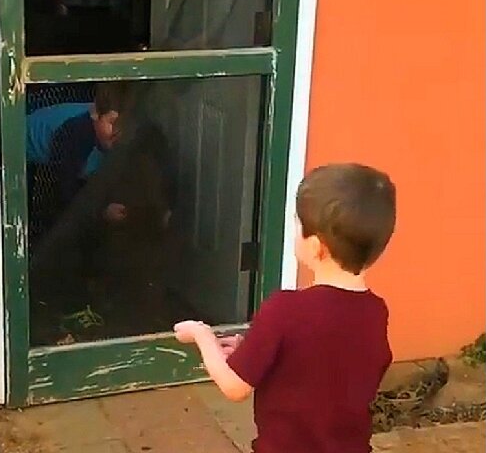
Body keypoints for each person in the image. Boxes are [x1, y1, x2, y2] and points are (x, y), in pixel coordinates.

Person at [173, 163, 396, 453]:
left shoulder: (285, 310)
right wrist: (252, 349)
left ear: (317, 246)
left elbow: (234, 386)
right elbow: (323, 365)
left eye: (297, 224)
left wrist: (202, 336)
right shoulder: (375, 312)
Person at [25, 80, 131, 241]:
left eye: (125, 125)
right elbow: (64, 191)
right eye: (113, 122)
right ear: (95, 114)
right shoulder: (76, 134)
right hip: (18, 148)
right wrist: (102, 210)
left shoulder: (107, 135)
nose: (119, 132)